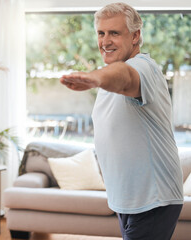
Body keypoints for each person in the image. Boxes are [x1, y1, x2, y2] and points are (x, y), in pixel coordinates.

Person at [60, 3, 183, 240]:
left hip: (153, 199)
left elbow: (124, 78)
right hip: (129, 200)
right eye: (101, 33)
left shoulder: (143, 67)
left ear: (135, 36)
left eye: (114, 33)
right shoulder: (108, 75)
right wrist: (98, 77)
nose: (105, 41)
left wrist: (94, 78)